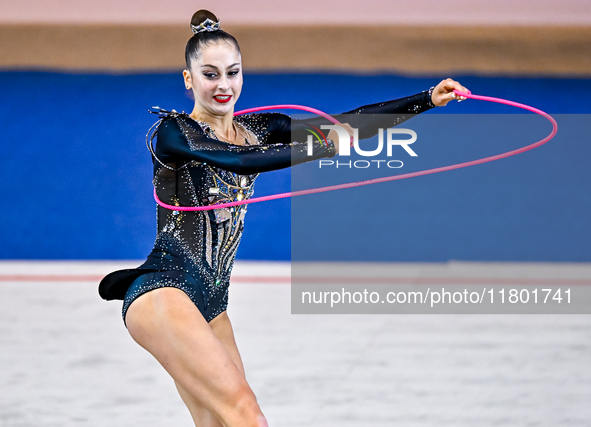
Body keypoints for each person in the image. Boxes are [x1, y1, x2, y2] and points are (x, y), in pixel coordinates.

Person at [98, 9, 469, 427]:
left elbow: (345, 125)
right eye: (210, 74)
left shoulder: (261, 126)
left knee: (219, 422)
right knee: (249, 418)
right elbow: (240, 161)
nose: (224, 85)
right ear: (188, 80)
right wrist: (325, 147)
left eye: (233, 73)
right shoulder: (176, 133)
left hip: (212, 303)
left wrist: (425, 99)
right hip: (165, 291)